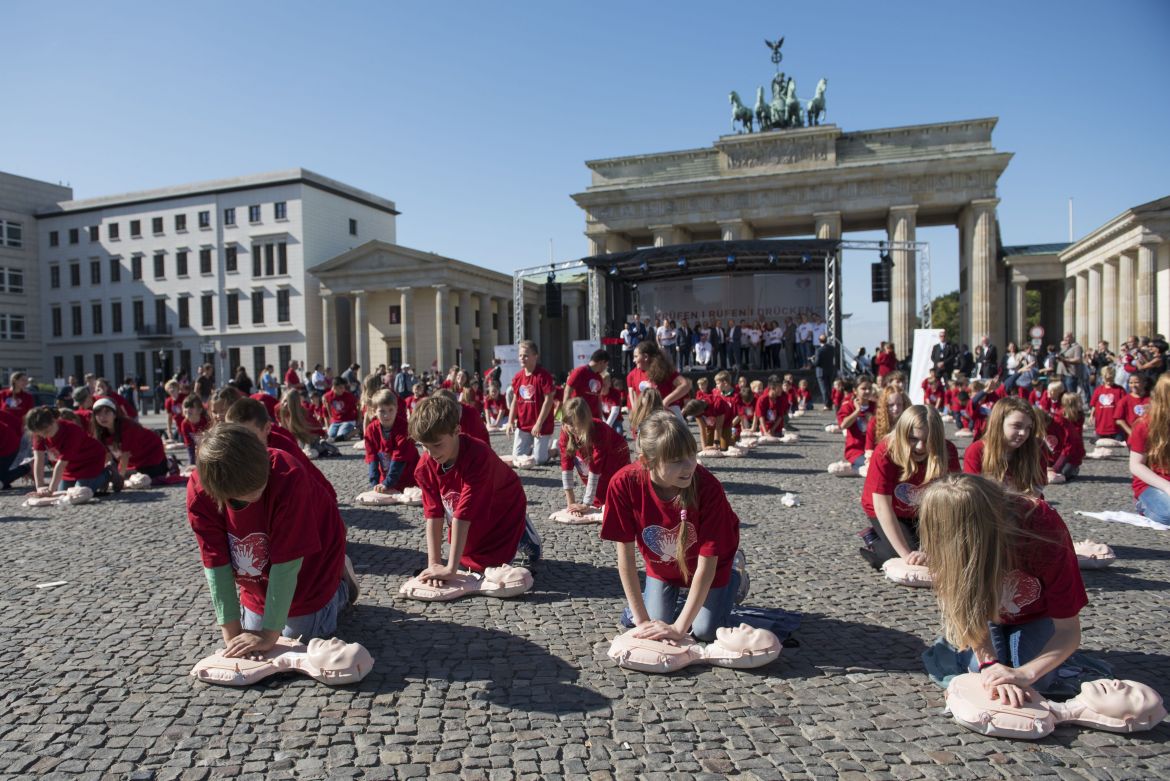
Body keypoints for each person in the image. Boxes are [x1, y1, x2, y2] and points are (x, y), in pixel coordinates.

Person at [918, 474, 1086, 704]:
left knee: (1038, 681)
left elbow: (1068, 630)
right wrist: (990, 665)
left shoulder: (1043, 529)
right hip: (985, 616)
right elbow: (966, 609)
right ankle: (956, 646)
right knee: (986, 676)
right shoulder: (953, 549)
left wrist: (1024, 674)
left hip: (1035, 616)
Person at [186, 424, 354, 655]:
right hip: (260, 577)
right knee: (254, 635)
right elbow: (216, 563)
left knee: (297, 635)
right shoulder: (200, 492)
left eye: (262, 487)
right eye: (246, 496)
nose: (258, 495)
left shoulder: (288, 476)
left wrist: (268, 635)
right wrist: (232, 636)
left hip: (314, 564)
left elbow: (287, 564)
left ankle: (340, 586)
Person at [600, 411, 745, 643]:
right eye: (677, 460)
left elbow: (707, 566)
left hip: (712, 565)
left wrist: (679, 628)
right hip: (664, 569)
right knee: (655, 628)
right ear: (647, 461)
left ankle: (735, 576)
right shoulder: (623, 484)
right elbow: (625, 559)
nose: (689, 465)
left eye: (691, 454)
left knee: (704, 631)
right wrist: (642, 621)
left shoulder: (708, 488)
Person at [410, 395, 541, 577]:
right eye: (424, 446)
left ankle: (521, 531)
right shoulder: (425, 466)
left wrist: (450, 569)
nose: (431, 453)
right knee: (468, 557)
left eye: (437, 445)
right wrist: (434, 564)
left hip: (502, 505)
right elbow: (433, 515)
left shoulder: (478, 456)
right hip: (465, 508)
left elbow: (463, 516)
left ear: (457, 430)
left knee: (490, 564)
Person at [859, 405, 959, 568]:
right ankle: (874, 540)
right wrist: (907, 556)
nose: (920, 446)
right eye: (913, 439)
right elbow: (882, 506)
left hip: (924, 510)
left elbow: (952, 501)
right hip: (889, 509)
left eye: (928, 440)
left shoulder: (948, 451)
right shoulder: (886, 451)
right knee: (904, 554)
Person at [559, 397, 630, 515]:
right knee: (599, 499)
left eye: (579, 424)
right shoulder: (566, 433)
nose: (575, 428)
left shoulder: (599, 430)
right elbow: (566, 467)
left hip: (615, 457)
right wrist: (571, 504)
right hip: (593, 459)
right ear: (565, 423)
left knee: (615, 498)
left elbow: (595, 467)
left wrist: (586, 503)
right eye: (571, 424)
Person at [962, 396, 1047, 495]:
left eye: (1028, 428)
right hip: (990, 507)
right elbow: (973, 492)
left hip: (1028, 506)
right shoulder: (976, 450)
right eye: (1017, 426)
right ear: (998, 424)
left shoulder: (1036, 447)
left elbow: (1036, 490)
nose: (1023, 433)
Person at [26, 406, 112, 495]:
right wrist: (40, 487)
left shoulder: (72, 431)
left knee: (78, 493)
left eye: (47, 432)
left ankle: (106, 473)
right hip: (70, 466)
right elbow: (38, 460)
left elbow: (61, 465)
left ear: (54, 420)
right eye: (41, 434)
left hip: (90, 461)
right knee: (63, 493)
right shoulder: (39, 432)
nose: (44, 436)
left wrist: (50, 491)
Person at [91, 398, 168, 485]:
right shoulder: (99, 432)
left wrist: (119, 480)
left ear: (115, 414)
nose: (102, 417)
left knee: (145, 479)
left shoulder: (127, 427)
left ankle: (169, 463)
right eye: (98, 413)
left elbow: (125, 456)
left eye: (107, 412)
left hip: (152, 455)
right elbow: (107, 456)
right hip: (134, 459)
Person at [506, 340, 556, 465]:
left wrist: (538, 424)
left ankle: (554, 450)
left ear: (535, 356)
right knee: (518, 458)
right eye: (520, 355)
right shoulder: (517, 377)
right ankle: (535, 448)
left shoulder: (543, 376)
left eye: (526, 355)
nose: (522, 358)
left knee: (539, 460)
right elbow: (515, 401)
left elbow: (549, 400)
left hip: (541, 426)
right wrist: (510, 421)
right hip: (524, 425)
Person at [1128, 374, 1170, 523]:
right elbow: (1135, 465)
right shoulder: (1144, 425)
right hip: (1153, 484)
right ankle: (1142, 504)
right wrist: (1167, 487)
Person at [363, 389, 420, 495]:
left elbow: (400, 458)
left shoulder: (404, 428)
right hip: (386, 478)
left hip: (409, 477)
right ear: (374, 411)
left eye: (390, 410)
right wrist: (374, 483)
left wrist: (388, 483)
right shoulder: (371, 430)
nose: (386, 415)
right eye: (382, 411)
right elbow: (372, 458)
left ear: (397, 409)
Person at [626, 341, 691, 421]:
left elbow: (685, 385)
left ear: (646, 357)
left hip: (668, 416)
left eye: (636, 356)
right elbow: (634, 399)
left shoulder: (665, 370)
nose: (633, 360)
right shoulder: (632, 375)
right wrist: (636, 417)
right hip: (646, 418)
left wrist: (665, 402)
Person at [564, 349, 609, 419]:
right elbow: (567, 392)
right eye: (606, 364)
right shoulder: (579, 372)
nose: (606, 367)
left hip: (594, 419)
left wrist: (600, 418)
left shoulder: (599, 378)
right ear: (602, 362)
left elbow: (598, 399)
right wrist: (566, 415)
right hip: (579, 417)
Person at [1089, 365, 1125, 442]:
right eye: (1107, 379)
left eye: (1111, 379)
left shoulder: (1119, 390)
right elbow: (1094, 405)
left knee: (1119, 440)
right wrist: (1091, 415)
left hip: (1115, 426)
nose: (1108, 381)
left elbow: (1125, 405)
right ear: (1102, 377)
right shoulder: (1098, 390)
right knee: (1097, 441)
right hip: (1101, 425)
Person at [0, 405, 31, 489]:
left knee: (1, 479)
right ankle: (5, 482)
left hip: (9, 445)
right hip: (5, 441)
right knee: (3, 479)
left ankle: (25, 468)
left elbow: (18, 424)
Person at [1115, 374, 1150, 443]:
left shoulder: (1151, 399)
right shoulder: (1124, 400)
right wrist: (1131, 433)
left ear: (1144, 383)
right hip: (1133, 440)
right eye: (1131, 383)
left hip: (1150, 437)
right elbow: (1119, 420)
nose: (1133, 385)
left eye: (1136, 382)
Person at [323, 377, 359, 441]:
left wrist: (358, 421)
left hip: (348, 420)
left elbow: (358, 407)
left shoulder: (349, 396)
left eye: (343, 387)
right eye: (340, 388)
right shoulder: (327, 396)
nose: (343, 390)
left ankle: (356, 431)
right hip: (336, 421)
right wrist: (330, 422)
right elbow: (326, 411)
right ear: (334, 387)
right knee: (330, 436)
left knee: (340, 437)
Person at [179, 395, 212, 465]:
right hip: (194, 447)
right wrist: (192, 463)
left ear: (200, 410)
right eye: (186, 407)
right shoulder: (184, 424)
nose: (187, 409)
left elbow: (211, 440)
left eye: (191, 407)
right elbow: (189, 445)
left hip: (209, 447)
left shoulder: (206, 421)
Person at [812, 334, 839, 410]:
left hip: (821, 371)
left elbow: (817, 363)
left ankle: (826, 405)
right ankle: (830, 404)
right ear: (826, 340)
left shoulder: (819, 350)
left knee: (823, 388)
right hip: (830, 370)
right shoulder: (832, 348)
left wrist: (812, 360)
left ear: (819, 340)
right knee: (829, 388)